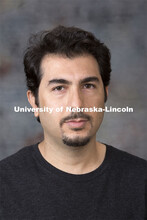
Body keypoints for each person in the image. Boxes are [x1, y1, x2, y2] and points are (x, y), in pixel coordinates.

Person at [0, 25, 146, 220]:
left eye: (88, 86)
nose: (77, 105)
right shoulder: (4, 184)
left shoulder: (141, 181)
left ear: (105, 95)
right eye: (59, 88)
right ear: (34, 102)